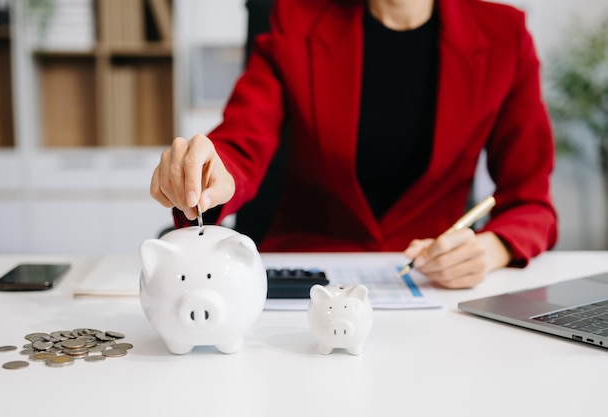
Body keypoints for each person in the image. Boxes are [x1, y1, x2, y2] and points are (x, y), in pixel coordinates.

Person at [150, 0, 558, 289]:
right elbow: (242, 141)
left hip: (431, 281)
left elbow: (531, 201)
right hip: (307, 275)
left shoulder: (505, 35)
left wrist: (489, 251)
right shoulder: (295, 18)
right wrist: (208, 173)